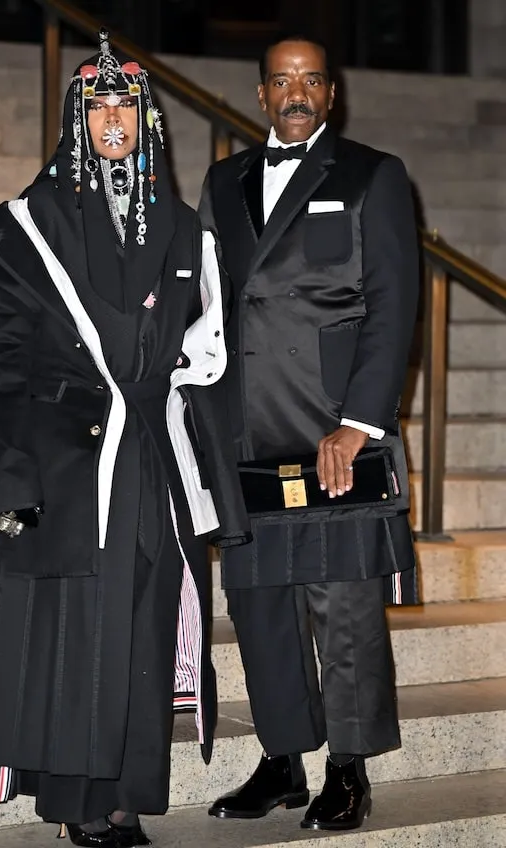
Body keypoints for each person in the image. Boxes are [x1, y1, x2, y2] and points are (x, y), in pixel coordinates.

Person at [0, 31, 249, 848]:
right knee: (80, 625)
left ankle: (126, 796)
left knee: (146, 618)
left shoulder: (185, 229)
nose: (111, 118)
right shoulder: (23, 225)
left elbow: (209, 346)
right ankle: (81, 805)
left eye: (125, 104)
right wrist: (32, 438)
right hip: (66, 455)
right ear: (73, 119)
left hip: (152, 450)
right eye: (96, 105)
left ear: (147, 120)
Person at [199, 34, 419, 832]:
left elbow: (393, 305)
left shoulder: (373, 174)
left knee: (344, 608)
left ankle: (349, 769)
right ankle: (283, 760)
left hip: (332, 429)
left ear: (333, 93)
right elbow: (213, 302)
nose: (296, 92)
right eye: (282, 80)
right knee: (260, 605)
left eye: (311, 80)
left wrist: (358, 422)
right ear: (261, 95)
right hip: (246, 427)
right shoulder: (222, 181)